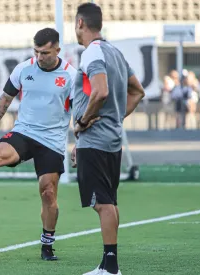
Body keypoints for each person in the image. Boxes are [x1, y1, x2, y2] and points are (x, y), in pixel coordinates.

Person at [0, 28, 90, 261]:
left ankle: (47, 244)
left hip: (52, 142)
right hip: (23, 132)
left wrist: (79, 144)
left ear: (57, 50)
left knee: (48, 192)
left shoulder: (71, 76)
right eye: (36, 51)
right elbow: (5, 99)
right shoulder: (24, 69)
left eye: (44, 52)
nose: (39, 57)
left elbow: (80, 112)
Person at [71, 3, 145, 275]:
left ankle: (111, 268)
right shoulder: (115, 52)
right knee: (108, 202)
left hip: (96, 140)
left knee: (102, 203)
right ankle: (107, 264)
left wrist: (81, 123)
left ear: (80, 23)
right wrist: (116, 117)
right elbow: (137, 91)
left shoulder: (92, 53)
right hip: (110, 140)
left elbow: (100, 92)